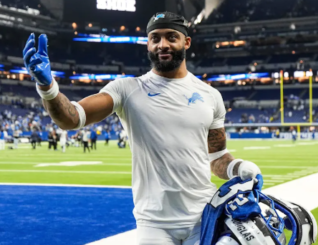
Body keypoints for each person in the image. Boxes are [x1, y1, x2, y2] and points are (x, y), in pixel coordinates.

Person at [23, 12, 261, 245]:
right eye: (155, 38)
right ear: (148, 44)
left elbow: (217, 157)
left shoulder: (211, 96)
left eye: (171, 37)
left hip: (204, 216)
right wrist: (47, 86)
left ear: (186, 42)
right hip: (153, 223)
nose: (162, 44)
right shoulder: (126, 90)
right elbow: (71, 118)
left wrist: (239, 167)